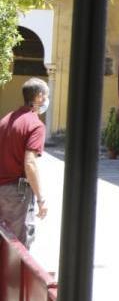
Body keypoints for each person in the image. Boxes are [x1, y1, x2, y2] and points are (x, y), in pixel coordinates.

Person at [0, 78, 50, 246]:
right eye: (46, 95)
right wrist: (41, 198)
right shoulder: (35, 125)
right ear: (39, 97)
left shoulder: (6, 120)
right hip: (17, 193)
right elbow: (30, 163)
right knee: (17, 247)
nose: (46, 100)